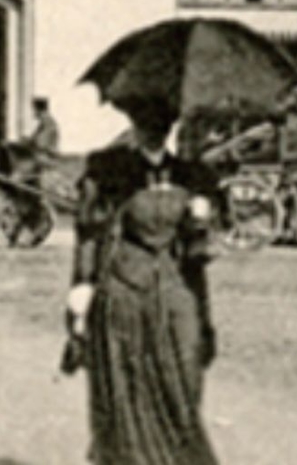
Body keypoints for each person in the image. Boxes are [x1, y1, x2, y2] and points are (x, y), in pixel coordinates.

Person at [68, 100, 221, 465]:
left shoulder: (190, 176)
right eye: (147, 122)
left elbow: (196, 259)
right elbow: (89, 239)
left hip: (173, 289)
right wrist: (79, 306)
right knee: (127, 389)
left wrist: (199, 228)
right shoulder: (110, 173)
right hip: (125, 289)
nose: (155, 130)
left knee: (183, 382)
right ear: (135, 125)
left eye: (161, 123)